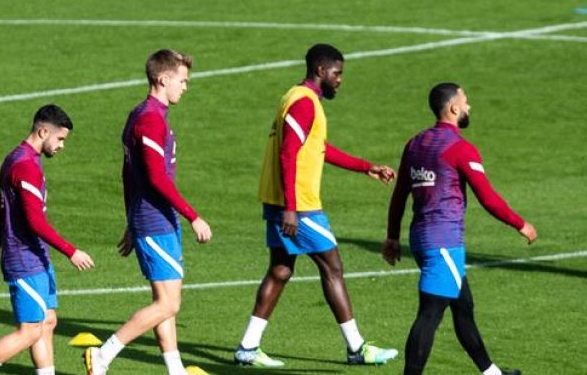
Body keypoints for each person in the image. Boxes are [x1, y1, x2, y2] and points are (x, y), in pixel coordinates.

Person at [233, 43, 398, 368]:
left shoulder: (295, 97)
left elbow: (318, 147)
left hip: (278, 200)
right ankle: (356, 348)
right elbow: (288, 153)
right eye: (337, 73)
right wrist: (292, 207)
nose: (340, 80)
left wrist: (367, 167)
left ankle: (247, 348)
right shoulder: (304, 104)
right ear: (320, 70)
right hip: (299, 205)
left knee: (281, 270)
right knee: (332, 267)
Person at [383, 83, 535, 375]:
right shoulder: (460, 149)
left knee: (463, 306)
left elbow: (399, 193)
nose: (469, 107)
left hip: (421, 239)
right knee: (429, 314)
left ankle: (491, 372)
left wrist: (392, 236)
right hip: (443, 243)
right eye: (466, 101)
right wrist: (521, 224)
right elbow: (487, 198)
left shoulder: (415, 143)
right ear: (453, 108)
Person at [85, 49, 212, 375]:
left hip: (152, 218)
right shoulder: (149, 120)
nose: (185, 87)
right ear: (163, 78)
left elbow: (128, 174)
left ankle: (175, 370)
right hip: (156, 220)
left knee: (164, 303)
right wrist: (193, 215)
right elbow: (155, 177)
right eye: (182, 81)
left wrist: (130, 221)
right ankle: (103, 355)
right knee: (168, 303)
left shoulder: (142, 114)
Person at [0, 104, 95, 375]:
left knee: (47, 321)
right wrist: (71, 251)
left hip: (34, 256)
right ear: (43, 131)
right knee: (30, 331)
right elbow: (35, 222)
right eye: (60, 139)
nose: (61, 146)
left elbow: (0, 213)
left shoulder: (16, 158)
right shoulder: (25, 166)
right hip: (25, 258)